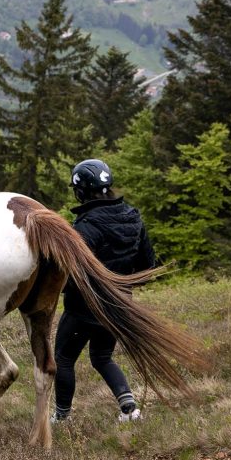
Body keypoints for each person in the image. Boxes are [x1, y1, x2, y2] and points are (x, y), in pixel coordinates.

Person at [53, 158, 157, 424]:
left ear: (80, 191)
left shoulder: (85, 227)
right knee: (102, 356)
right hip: (121, 304)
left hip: (85, 308)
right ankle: (129, 408)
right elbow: (147, 265)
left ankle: (62, 417)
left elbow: (73, 273)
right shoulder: (133, 216)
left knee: (63, 359)